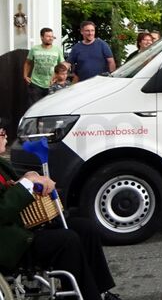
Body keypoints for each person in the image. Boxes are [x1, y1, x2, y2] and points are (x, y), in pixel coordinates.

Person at [0, 120, 122, 300]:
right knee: (67, 240)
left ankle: (101, 292)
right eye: (2, 132)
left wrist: (30, 179)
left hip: (22, 228)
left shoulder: (2, 164)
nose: (6, 136)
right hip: (9, 243)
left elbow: (15, 190)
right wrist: (26, 184)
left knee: (85, 228)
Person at [23, 27, 65, 106]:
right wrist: (25, 75)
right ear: (42, 37)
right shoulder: (34, 49)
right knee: (35, 107)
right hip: (36, 84)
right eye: (48, 36)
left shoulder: (57, 50)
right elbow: (27, 63)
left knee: (50, 107)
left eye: (52, 36)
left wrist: (57, 78)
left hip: (52, 84)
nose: (51, 38)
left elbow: (62, 66)